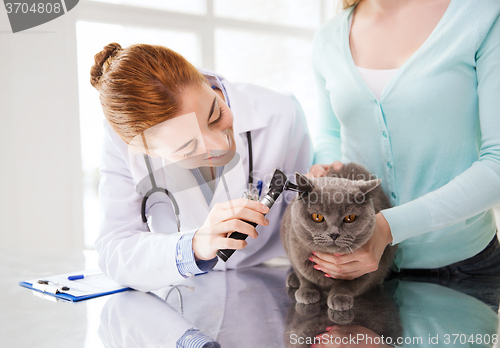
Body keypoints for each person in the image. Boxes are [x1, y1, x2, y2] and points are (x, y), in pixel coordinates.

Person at [90, 43, 312, 291]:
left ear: (206, 83)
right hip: (181, 295)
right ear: (147, 151)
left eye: (216, 115)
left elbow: (309, 212)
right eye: (187, 147)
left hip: (273, 281)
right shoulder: (123, 142)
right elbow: (115, 250)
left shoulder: (282, 113)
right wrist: (193, 246)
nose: (222, 146)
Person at [307, 0, 500, 281]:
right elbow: (330, 133)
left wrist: (388, 227)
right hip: (355, 270)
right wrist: (326, 169)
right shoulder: (328, 38)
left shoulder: (480, 15)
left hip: (463, 269)